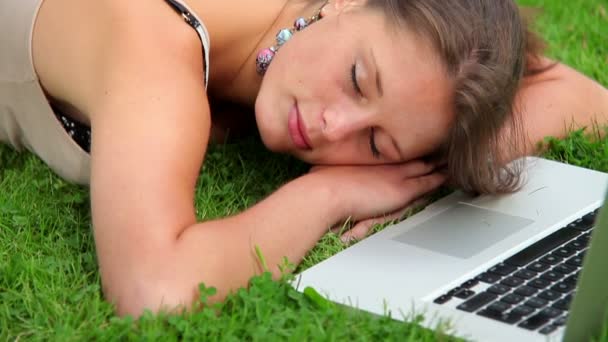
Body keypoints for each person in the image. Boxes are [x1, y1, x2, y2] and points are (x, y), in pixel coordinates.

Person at [1, 0, 607, 317]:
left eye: (373, 144)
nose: (331, 126)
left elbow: (585, 98)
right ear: (346, 3)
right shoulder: (157, 53)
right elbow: (154, 288)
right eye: (357, 79)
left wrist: (432, 166)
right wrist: (330, 194)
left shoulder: (342, 25)